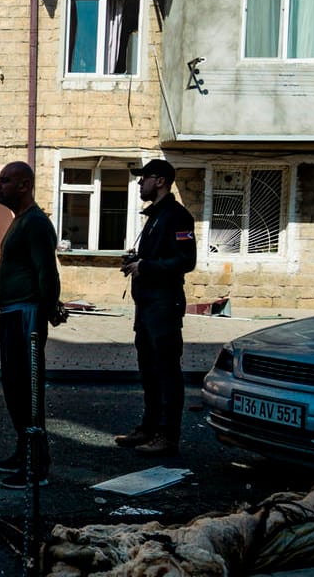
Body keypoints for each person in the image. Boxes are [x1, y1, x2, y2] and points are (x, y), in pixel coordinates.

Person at [115, 158, 195, 459]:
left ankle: (167, 435)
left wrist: (145, 266)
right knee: (148, 370)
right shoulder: (156, 216)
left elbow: (186, 261)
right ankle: (148, 428)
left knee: (166, 371)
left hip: (164, 306)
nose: (139, 183)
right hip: (147, 306)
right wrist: (135, 261)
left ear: (159, 181)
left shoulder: (177, 217)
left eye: (144, 178)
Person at [0, 162, 59, 489]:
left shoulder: (36, 223)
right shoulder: (20, 222)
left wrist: (48, 310)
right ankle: (23, 453)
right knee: (13, 387)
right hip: (12, 314)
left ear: (24, 185)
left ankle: (36, 467)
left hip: (26, 315)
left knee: (27, 390)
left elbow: (47, 272)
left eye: (4, 181)